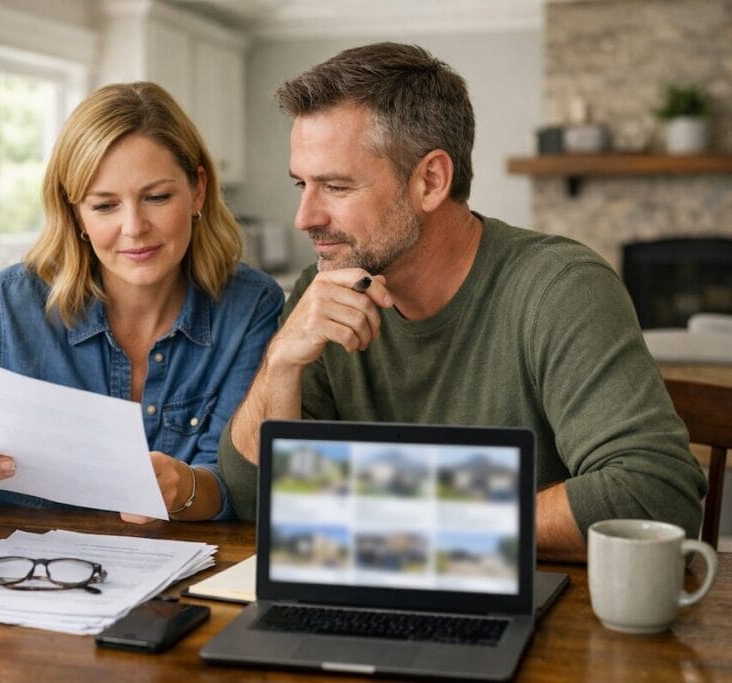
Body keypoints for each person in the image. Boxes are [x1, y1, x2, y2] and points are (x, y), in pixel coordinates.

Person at [217, 43, 706, 561]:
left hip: (537, 604)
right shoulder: (326, 293)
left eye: (336, 186)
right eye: (302, 184)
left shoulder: (561, 287)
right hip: (370, 587)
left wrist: (413, 520)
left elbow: (655, 495)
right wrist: (281, 361)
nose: (304, 217)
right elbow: (253, 499)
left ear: (430, 181)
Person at [0, 82, 284, 522]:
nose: (133, 227)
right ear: (76, 214)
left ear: (198, 191)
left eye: (156, 197)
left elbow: (238, 488)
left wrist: (184, 487)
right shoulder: (8, 309)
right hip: (23, 563)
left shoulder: (249, 307)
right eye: (104, 206)